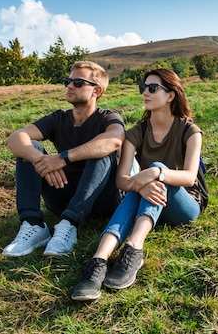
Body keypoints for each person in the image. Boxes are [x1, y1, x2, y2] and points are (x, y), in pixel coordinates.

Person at [71, 68, 206, 301]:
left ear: (171, 95)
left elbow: (189, 177)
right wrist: (141, 184)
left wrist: (155, 171)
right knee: (138, 189)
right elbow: (121, 179)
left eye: (153, 88)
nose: (145, 92)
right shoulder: (136, 133)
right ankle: (99, 261)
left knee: (152, 176)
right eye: (143, 88)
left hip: (185, 203)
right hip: (151, 200)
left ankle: (134, 248)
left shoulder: (189, 130)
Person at [2, 61, 125, 258]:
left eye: (78, 82)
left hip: (101, 200)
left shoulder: (108, 118)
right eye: (68, 81)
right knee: (29, 148)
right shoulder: (59, 118)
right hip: (62, 194)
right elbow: (15, 138)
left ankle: (70, 224)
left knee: (101, 151)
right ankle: (33, 224)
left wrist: (63, 158)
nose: (69, 86)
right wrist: (41, 159)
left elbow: (113, 141)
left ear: (97, 90)